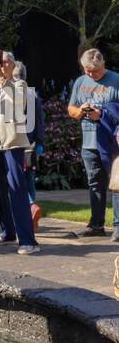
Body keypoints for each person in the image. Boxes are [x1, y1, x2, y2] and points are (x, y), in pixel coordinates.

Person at [0, 49, 39, 255]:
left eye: (3, 63)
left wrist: (3, 78)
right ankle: (8, 232)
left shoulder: (20, 85)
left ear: (11, 64)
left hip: (12, 143)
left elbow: (18, 100)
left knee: (16, 189)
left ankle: (28, 240)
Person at [67, 48, 119, 240]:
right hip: (89, 142)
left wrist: (103, 115)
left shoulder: (116, 80)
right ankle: (96, 225)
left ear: (103, 64)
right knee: (95, 183)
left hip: (112, 141)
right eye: (87, 70)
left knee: (116, 184)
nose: (90, 74)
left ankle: (118, 227)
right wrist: (81, 111)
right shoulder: (81, 82)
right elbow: (70, 109)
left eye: (94, 71)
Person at [12, 61, 45, 231]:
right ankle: (32, 213)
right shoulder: (32, 94)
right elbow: (40, 120)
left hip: (15, 143)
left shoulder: (11, 94)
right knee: (29, 178)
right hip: (31, 144)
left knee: (15, 179)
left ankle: (30, 207)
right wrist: (40, 143)